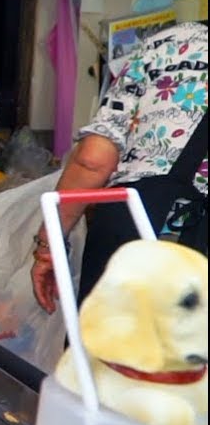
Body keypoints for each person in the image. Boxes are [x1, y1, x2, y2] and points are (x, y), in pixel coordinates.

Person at [32, 22, 207, 313]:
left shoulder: (169, 42)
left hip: (133, 228)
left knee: (107, 354)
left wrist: (48, 247)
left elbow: (93, 159)